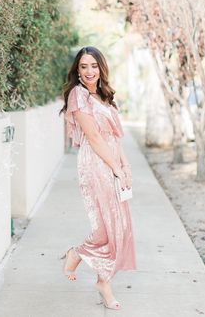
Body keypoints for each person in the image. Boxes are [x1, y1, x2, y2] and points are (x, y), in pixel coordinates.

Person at [59, 46, 136, 310]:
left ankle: (104, 280)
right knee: (105, 228)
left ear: (101, 68)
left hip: (112, 161)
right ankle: (77, 253)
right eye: (83, 66)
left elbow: (115, 137)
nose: (89, 71)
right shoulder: (77, 95)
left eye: (93, 66)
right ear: (77, 71)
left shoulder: (104, 96)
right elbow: (93, 137)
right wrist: (115, 167)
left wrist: (125, 167)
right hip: (95, 164)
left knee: (120, 226)